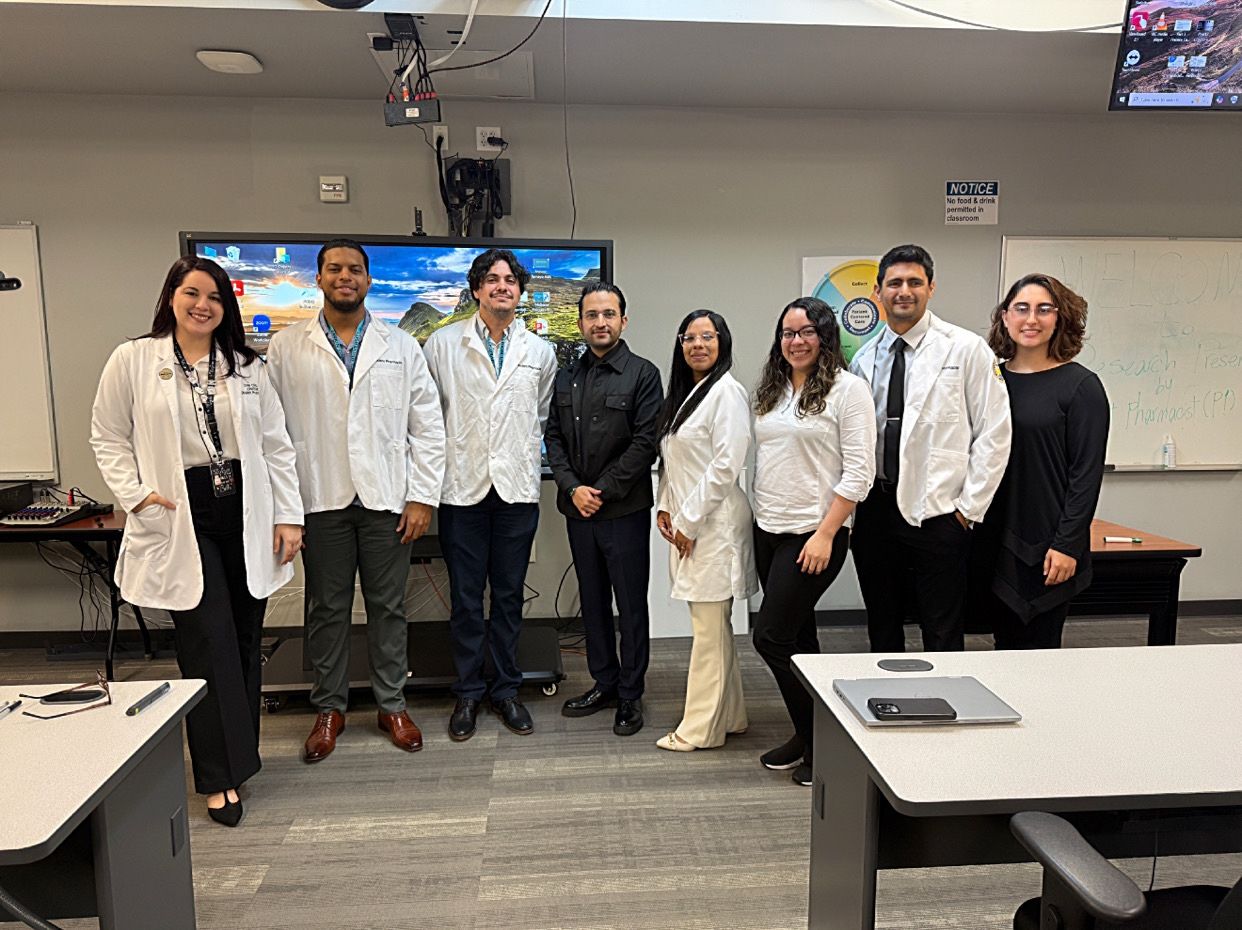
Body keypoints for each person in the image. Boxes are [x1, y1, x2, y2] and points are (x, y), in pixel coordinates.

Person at [91, 256, 303, 827]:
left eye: (213, 296)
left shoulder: (246, 367)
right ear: (171, 297)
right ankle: (217, 777)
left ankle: (238, 762)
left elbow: (278, 447)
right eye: (191, 293)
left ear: (225, 307)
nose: (202, 304)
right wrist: (134, 494)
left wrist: (289, 518)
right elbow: (107, 434)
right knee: (206, 639)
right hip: (180, 510)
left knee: (241, 636)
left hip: (244, 509)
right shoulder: (134, 359)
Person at [266, 238, 445, 764]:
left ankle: (392, 704)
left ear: (369, 280)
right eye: (335, 269)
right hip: (319, 497)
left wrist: (421, 497)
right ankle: (329, 707)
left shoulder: (400, 346)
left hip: (387, 498)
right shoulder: (287, 347)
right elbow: (273, 434)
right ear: (318, 279)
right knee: (327, 608)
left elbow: (427, 427)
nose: (346, 277)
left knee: (389, 606)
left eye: (355, 270)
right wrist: (286, 509)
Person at [849, 244, 1011, 652]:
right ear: (878, 291)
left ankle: (945, 708)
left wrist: (967, 511)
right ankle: (887, 703)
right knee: (882, 622)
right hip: (876, 509)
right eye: (894, 283)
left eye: (914, 282)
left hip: (940, 512)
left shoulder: (966, 348)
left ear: (931, 288)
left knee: (941, 625)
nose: (904, 291)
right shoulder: (865, 358)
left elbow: (994, 432)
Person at [424, 248, 557, 741]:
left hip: (517, 492)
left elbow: (538, 419)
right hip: (461, 490)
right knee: (463, 599)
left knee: (506, 597)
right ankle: (467, 692)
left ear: (520, 292)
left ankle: (505, 689)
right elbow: (430, 418)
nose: (502, 287)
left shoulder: (539, 353)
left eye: (510, 280)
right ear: (477, 289)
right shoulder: (441, 346)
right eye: (492, 279)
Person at [751, 297, 876, 786]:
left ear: (825, 336)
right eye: (787, 333)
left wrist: (827, 532)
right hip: (769, 531)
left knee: (770, 637)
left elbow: (860, 472)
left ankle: (824, 738)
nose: (795, 341)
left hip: (814, 536)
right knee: (800, 641)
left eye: (806, 332)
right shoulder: (773, 390)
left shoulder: (849, 392)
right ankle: (807, 737)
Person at [545, 282, 663, 737]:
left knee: (630, 606)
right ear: (580, 324)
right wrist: (574, 488)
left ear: (623, 321)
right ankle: (604, 682)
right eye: (592, 315)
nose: (600, 322)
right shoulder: (567, 375)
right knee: (592, 603)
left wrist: (601, 491)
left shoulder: (643, 374)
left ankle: (631, 695)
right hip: (578, 512)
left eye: (609, 314)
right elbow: (553, 437)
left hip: (623, 511)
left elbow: (644, 444)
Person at [975, 273, 1109, 649]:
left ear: (1059, 318)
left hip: (1046, 545)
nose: (1031, 319)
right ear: (1004, 317)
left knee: (1038, 651)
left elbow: (1085, 475)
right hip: (992, 538)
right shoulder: (990, 381)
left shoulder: (1081, 387)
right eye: (1021, 308)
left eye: (1043, 309)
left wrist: (1067, 545)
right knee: (1001, 649)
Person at [654, 309, 756, 752]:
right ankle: (730, 716)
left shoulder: (727, 394)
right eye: (689, 338)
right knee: (713, 628)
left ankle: (698, 730)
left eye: (707, 337)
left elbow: (725, 466)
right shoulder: (688, 394)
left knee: (709, 633)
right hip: (688, 521)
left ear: (722, 343)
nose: (697, 345)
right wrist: (664, 506)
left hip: (713, 527)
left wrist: (688, 521)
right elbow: (674, 459)